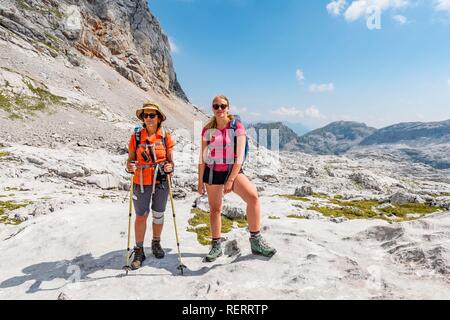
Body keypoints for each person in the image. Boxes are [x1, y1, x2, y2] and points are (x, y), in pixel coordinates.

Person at [198, 95, 276, 262]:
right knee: (215, 209)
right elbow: (202, 158)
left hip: (232, 171)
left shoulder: (236, 126)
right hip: (212, 172)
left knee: (253, 197)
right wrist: (199, 182)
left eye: (222, 106)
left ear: (228, 108)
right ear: (212, 108)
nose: (219, 109)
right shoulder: (207, 130)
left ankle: (255, 241)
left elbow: (239, 157)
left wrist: (231, 180)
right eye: (216, 106)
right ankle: (216, 246)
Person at [126, 101, 175, 270]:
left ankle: (156, 242)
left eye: (152, 115)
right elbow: (130, 160)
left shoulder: (165, 136)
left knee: (158, 214)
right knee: (141, 215)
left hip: (161, 181)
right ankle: (139, 249)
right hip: (141, 181)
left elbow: (170, 161)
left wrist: (170, 167)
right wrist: (129, 166)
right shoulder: (136, 137)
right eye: (145, 115)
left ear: (159, 118)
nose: (148, 118)